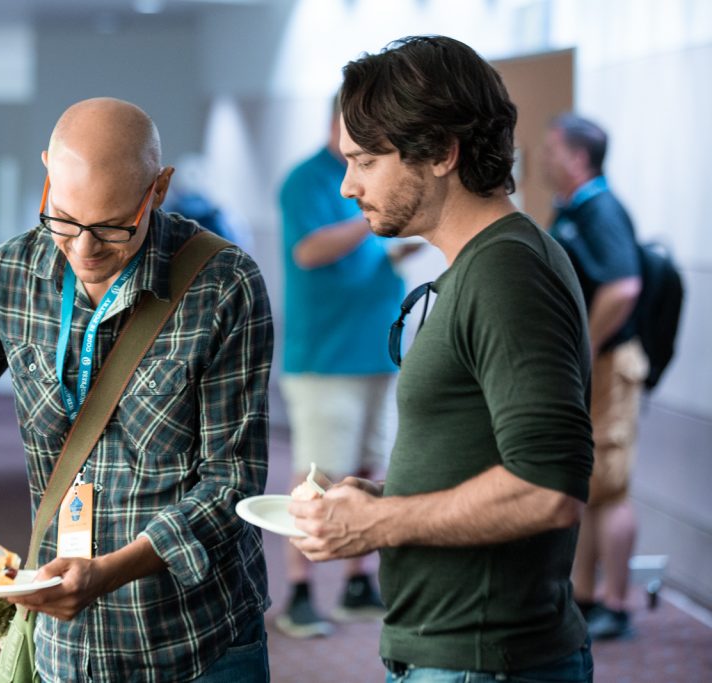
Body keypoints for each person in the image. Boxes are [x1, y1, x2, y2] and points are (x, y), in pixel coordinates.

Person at [0, 97, 274, 682]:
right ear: (48, 171)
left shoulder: (224, 285)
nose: (82, 249)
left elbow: (232, 484)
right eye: (65, 220)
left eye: (110, 228)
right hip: (67, 651)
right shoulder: (12, 275)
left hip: (193, 640)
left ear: (159, 188)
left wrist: (111, 572)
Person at [289, 36, 595, 682]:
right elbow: (487, 459)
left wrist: (381, 520)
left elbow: (548, 488)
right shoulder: (483, 265)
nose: (347, 186)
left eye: (366, 161)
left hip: (484, 660)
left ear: (440, 154)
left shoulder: (508, 272)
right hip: (458, 654)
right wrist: (381, 498)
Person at [275, 96, 414, 638]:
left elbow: (366, 255)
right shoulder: (309, 180)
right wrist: (370, 214)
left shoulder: (371, 172)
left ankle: (359, 583)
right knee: (319, 475)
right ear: (336, 123)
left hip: (377, 347)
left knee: (372, 469)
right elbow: (309, 251)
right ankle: (300, 592)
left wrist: (395, 251)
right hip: (326, 359)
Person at [542, 113, 647, 641]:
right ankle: (583, 596)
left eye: (551, 149)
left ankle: (617, 603)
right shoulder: (573, 211)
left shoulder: (601, 209)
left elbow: (624, 287)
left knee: (610, 487)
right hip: (591, 364)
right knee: (586, 484)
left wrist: (584, 345)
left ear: (578, 157)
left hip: (609, 366)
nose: (543, 157)